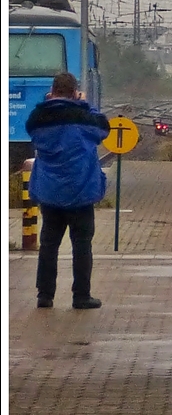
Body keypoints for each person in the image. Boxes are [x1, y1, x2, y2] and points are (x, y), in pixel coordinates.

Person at [26, 72, 110, 310]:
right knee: (82, 244)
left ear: (52, 91)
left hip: (50, 192)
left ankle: (45, 295)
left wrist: (50, 103)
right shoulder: (83, 115)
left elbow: (31, 129)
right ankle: (81, 296)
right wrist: (83, 104)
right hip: (80, 191)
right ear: (75, 92)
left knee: (49, 244)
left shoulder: (38, 118)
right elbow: (103, 128)